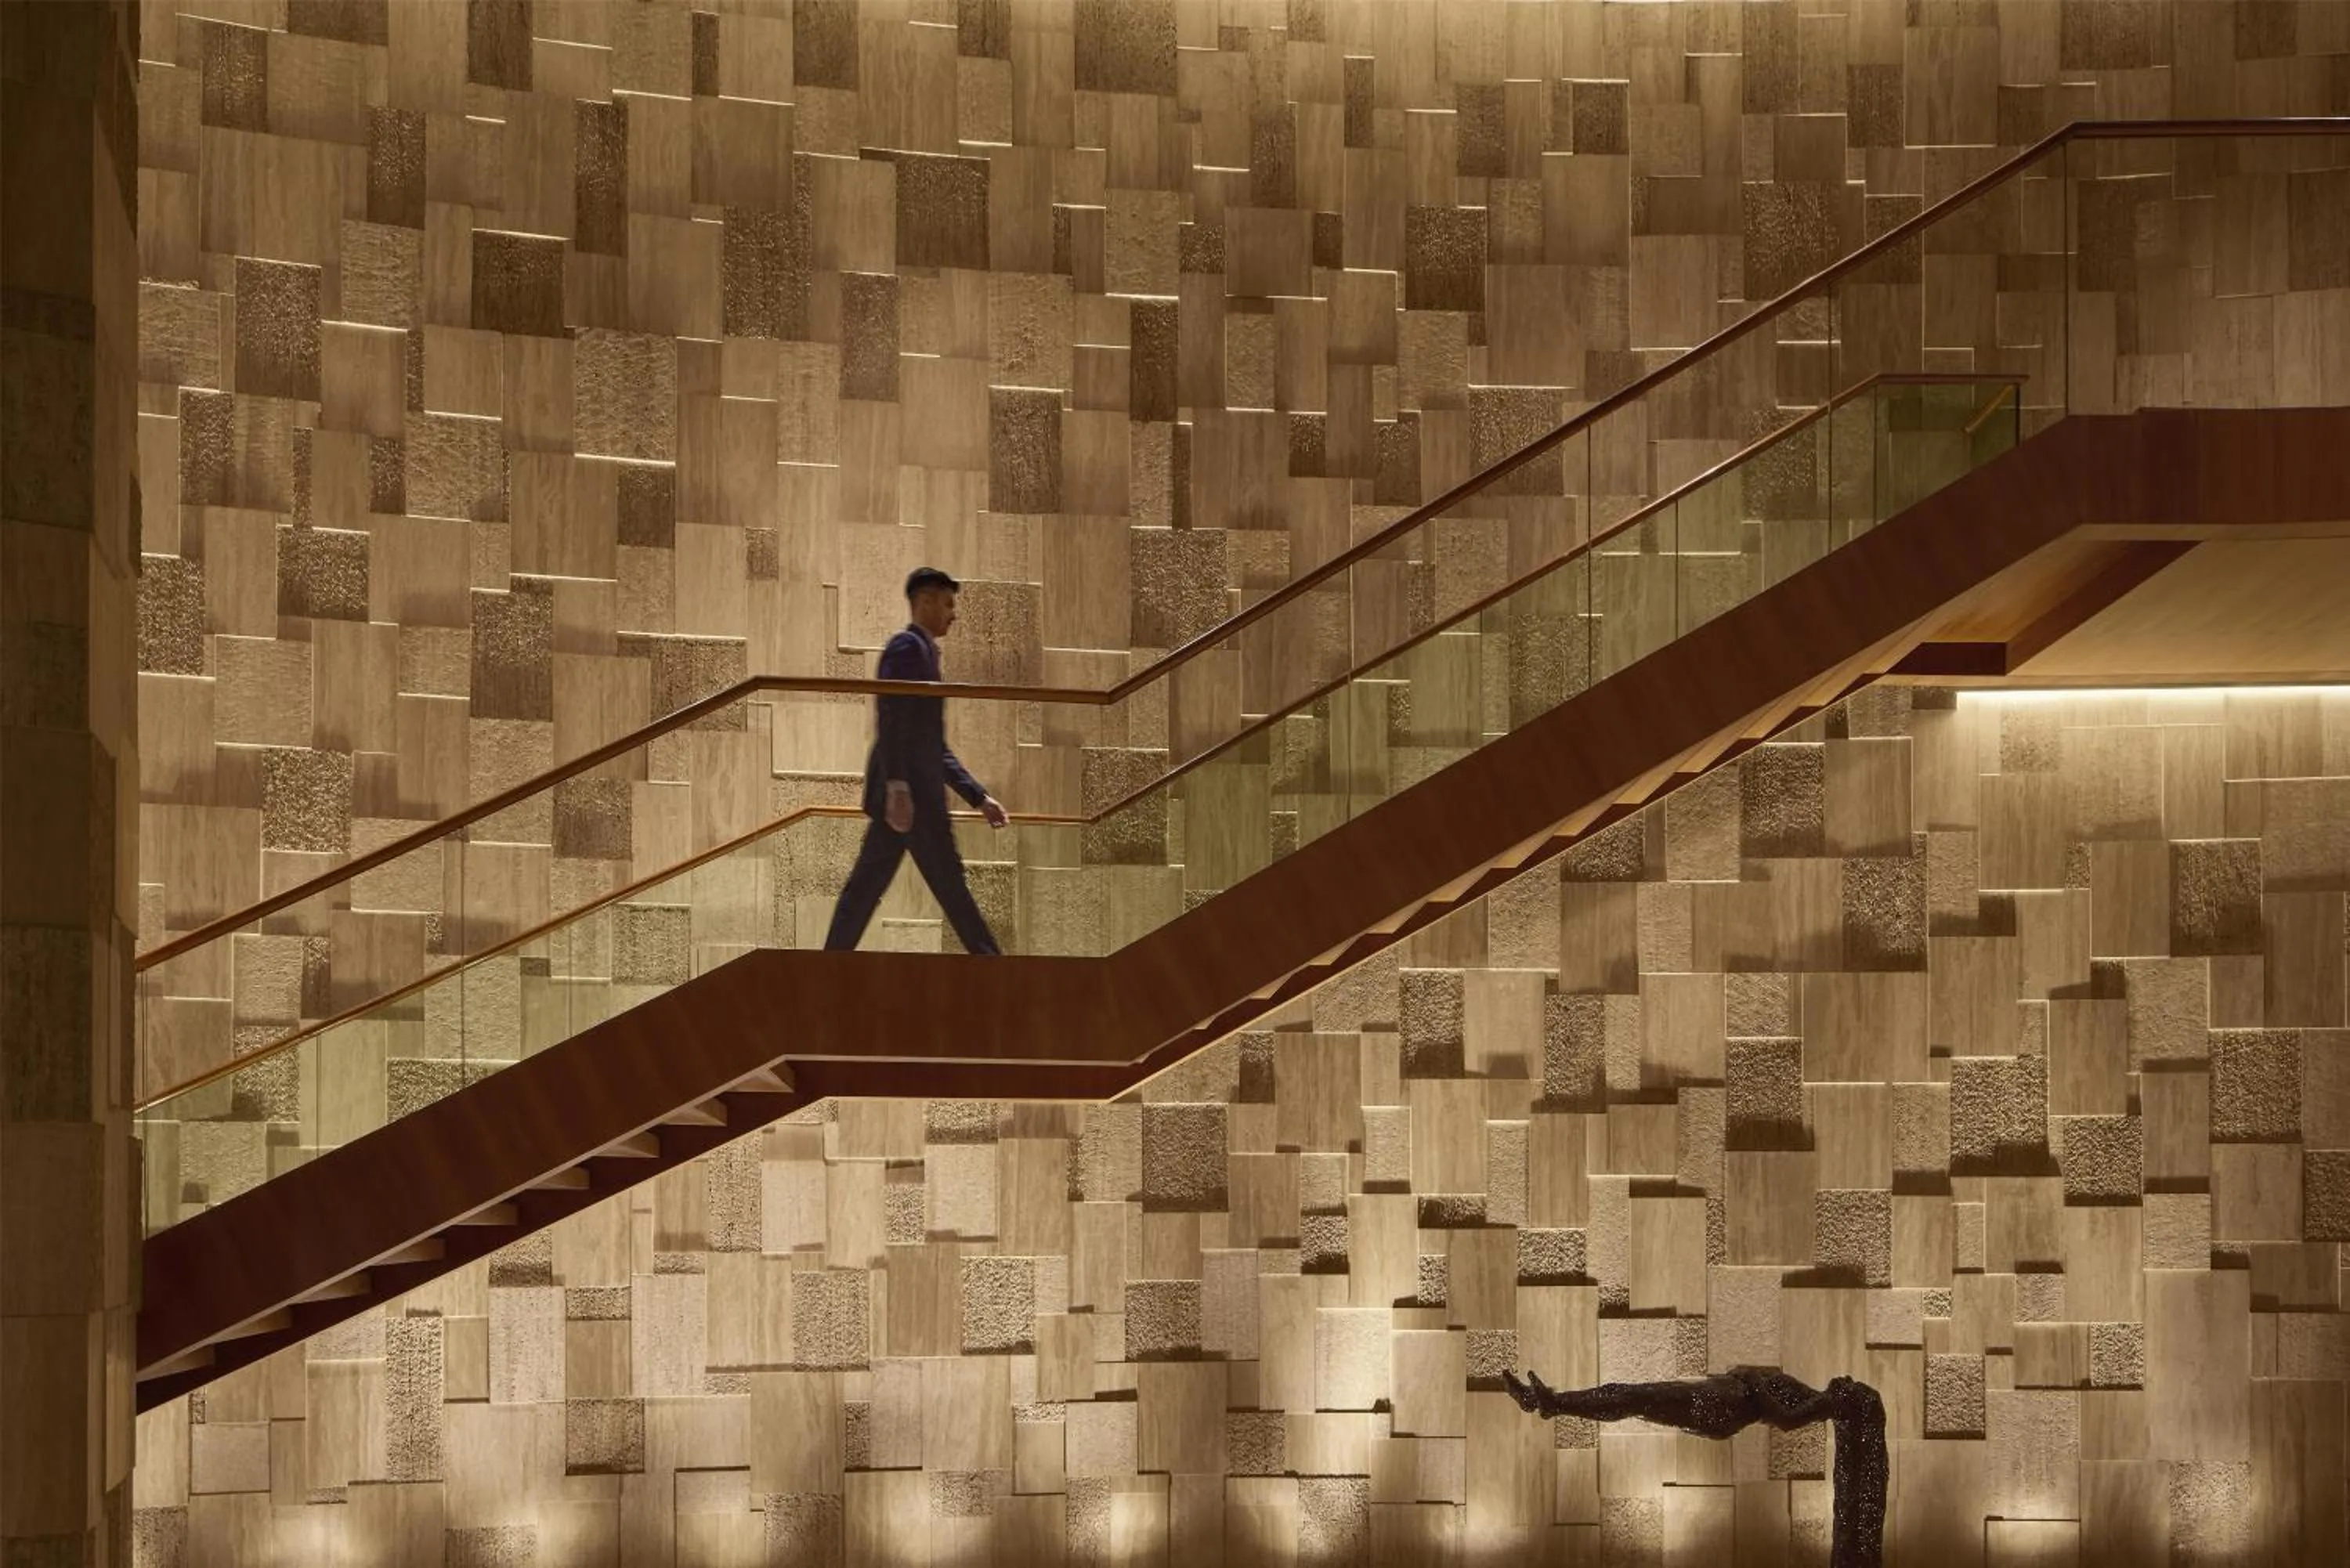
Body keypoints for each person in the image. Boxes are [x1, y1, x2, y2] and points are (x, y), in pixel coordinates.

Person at [823, 567, 1010, 954]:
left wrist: (978, 797)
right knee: (947, 889)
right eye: (946, 603)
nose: (952, 614)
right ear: (923, 602)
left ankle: (829, 967)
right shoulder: (907, 648)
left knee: (871, 889)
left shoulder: (923, 652)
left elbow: (933, 746)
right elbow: (891, 717)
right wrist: (897, 788)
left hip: (912, 798)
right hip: (911, 799)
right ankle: (995, 969)